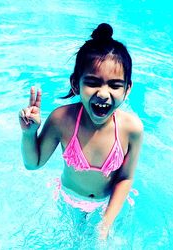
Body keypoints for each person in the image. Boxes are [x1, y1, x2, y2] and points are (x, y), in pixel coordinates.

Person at [19, 23, 143, 239]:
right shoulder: (62, 120)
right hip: (70, 200)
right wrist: (29, 133)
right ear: (76, 84)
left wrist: (105, 223)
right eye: (93, 83)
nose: (104, 94)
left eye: (115, 85)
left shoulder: (131, 129)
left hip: (107, 205)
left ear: (127, 89)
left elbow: (125, 177)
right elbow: (33, 163)